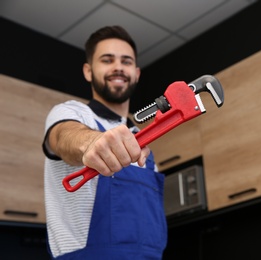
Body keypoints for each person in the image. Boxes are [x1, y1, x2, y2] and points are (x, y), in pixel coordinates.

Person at [42, 25, 167, 259]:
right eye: (107, 60)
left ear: (137, 73)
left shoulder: (142, 142)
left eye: (126, 61)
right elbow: (63, 136)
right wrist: (92, 143)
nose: (118, 67)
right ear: (88, 71)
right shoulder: (71, 113)